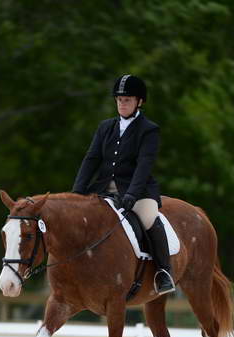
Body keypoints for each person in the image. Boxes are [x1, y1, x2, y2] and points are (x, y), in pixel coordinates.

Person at [72, 74, 175, 295]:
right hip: (102, 189)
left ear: (140, 101)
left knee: (149, 219)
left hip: (138, 192)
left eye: (127, 99)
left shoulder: (149, 129)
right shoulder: (105, 127)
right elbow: (91, 159)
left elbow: (144, 166)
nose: (122, 103)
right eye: (119, 100)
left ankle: (164, 271)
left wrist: (132, 194)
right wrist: (77, 192)